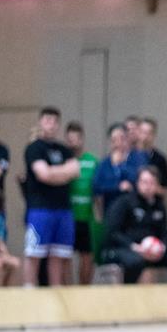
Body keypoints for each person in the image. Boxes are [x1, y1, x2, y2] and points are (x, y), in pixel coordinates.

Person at [101, 165, 167, 284]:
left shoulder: (159, 205)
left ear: (157, 185)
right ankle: (128, 294)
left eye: (152, 183)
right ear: (138, 183)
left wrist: (161, 248)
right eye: (144, 182)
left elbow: (165, 233)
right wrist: (135, 247)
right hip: (124, 249)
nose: (148, 186)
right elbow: (113, 232)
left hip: (151, 251)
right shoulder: (125, 202)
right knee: (135, 261)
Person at [22, 107, 80, 287]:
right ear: (40, 122)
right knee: (34, 254)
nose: (51, 124)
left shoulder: (64, 149)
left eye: (55, 121)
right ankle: (29, 290)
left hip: (63, 209)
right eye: (47, 120)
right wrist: (62, 173)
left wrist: (53, 173)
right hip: (40, 209)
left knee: (59, 255)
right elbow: (43, 174)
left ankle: (56, 292)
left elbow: (75, 170)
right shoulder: (34, 148)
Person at [65, 121, 99, 285]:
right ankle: (68, 293)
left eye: (76, 138)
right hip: (67, 216)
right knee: (65, 256)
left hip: (86, 217)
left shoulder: (92, 161)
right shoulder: (63, 160)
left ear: (82, 139)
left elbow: (98, 191)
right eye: (70, 139)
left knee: (87, 256)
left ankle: (84, 290)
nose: (73, 142)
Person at [92, 123, 146, 213]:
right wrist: (117, 186)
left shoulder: (138, 158)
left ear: (128, 138)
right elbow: (96, 187)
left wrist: (121, 166)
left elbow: (140, 180)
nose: (118, 143)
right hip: (111, 212)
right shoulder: (104, 163)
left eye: (122, 138)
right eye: (114, 140)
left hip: (135, 212)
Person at [136, 117, 167, 198]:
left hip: (153, 206)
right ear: (138, 133)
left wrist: (154, 189)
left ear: (154, 135)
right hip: (131, 205)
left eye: (149, 133)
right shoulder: (128, 156)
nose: (145, 136)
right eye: (143, 132)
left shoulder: (160, 159)